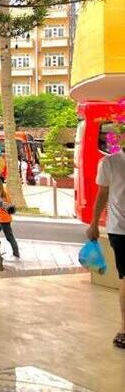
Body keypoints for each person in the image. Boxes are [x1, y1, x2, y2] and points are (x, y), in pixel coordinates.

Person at [86, 140, 125, 350]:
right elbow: (102, 194)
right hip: (120, 230)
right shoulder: (109, 163)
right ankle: (124, 328)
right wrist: (93, 223)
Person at [0, 186, 20, 258]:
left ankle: (16, 253)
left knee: (9, 237)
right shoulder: (3, 191)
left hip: (4, 219)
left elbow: (2, 205)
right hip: (1, 219)